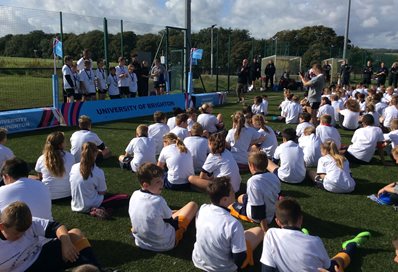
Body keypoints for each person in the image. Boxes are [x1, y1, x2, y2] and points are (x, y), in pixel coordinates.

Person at [260, 198, 370, 272]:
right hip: (314, 253)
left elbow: (266, 268)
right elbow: (327, 266)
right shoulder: (315, 241)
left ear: (277, 221)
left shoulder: (270, 233)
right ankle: (351, 246)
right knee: (337, 262)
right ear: (301, 219)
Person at [0, 201, 101, 272]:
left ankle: (98, 269)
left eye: (24, 232)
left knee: (75, 234)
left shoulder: (27, 223)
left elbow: (56, 227)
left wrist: (66, 243)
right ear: (2, 227)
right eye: (16, 233)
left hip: (41, 256)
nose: (21, 236)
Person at [192, 177, 264, 272]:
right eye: (232, 192)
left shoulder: (203, 209)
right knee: (259, 231)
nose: (234, 193)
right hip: (224, 268)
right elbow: (239, 259)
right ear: (224, 199)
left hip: (198, 260)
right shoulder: (233, 224)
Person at [129, 163, 198, 251]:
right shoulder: (158, 200)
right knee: (192, 205)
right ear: (146, 185)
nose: (162, 183)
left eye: (162, 179)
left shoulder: (134, 194)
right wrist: (176, 217)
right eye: (158, 182)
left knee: (171, 213)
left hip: (140, 242)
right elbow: (173, 224)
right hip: (165, 244)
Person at [70, 142, 128, 217]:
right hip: (91, 204)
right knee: (125, 197)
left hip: (76, 205)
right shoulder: (97, 171)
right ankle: (97, 209)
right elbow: (102, 192)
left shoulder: (74, 167)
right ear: (95, 154)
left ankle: (98, 208)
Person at [230, 152, 280, 232]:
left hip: (258, 216)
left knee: (231, 206)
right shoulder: (274, 177)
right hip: (272, 210)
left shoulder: (253, 181)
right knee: (242, 197)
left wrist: (265, 230)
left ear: (252, 166)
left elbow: (258, 210)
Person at [33, 131, 74, 200]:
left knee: (29, 177)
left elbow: (40, 177)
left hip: (48, 195)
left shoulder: (42, 158)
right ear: (61, 144)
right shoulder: (70, 157)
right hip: (69, 194)